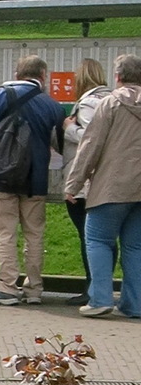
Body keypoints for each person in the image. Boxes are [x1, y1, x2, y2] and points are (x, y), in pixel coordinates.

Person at [0, 56, 65, 306]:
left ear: (18, 74)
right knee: (34, 234)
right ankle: (34, 289)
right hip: (36, 180)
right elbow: (60, 144)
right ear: (43, 75)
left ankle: (7, 287)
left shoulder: (1, 95)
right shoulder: (52, 105)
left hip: (2, 176)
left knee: (6, 233)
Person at [63, 53, 141, 319]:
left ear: (118, 77)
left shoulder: (110, 104)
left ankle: (100, 299)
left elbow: (90, 146)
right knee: (135, 247)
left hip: (112, 186)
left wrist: (73, 184)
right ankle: (134, 304)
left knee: (97, 239)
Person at [60, 57, 110, 294]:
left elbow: (91, 138)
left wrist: (69, 128)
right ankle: (100, 287)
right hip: (103, 178)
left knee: (89, 237)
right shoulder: (109, 99)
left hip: (84, 181)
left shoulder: (89, 102)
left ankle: (93, 288)